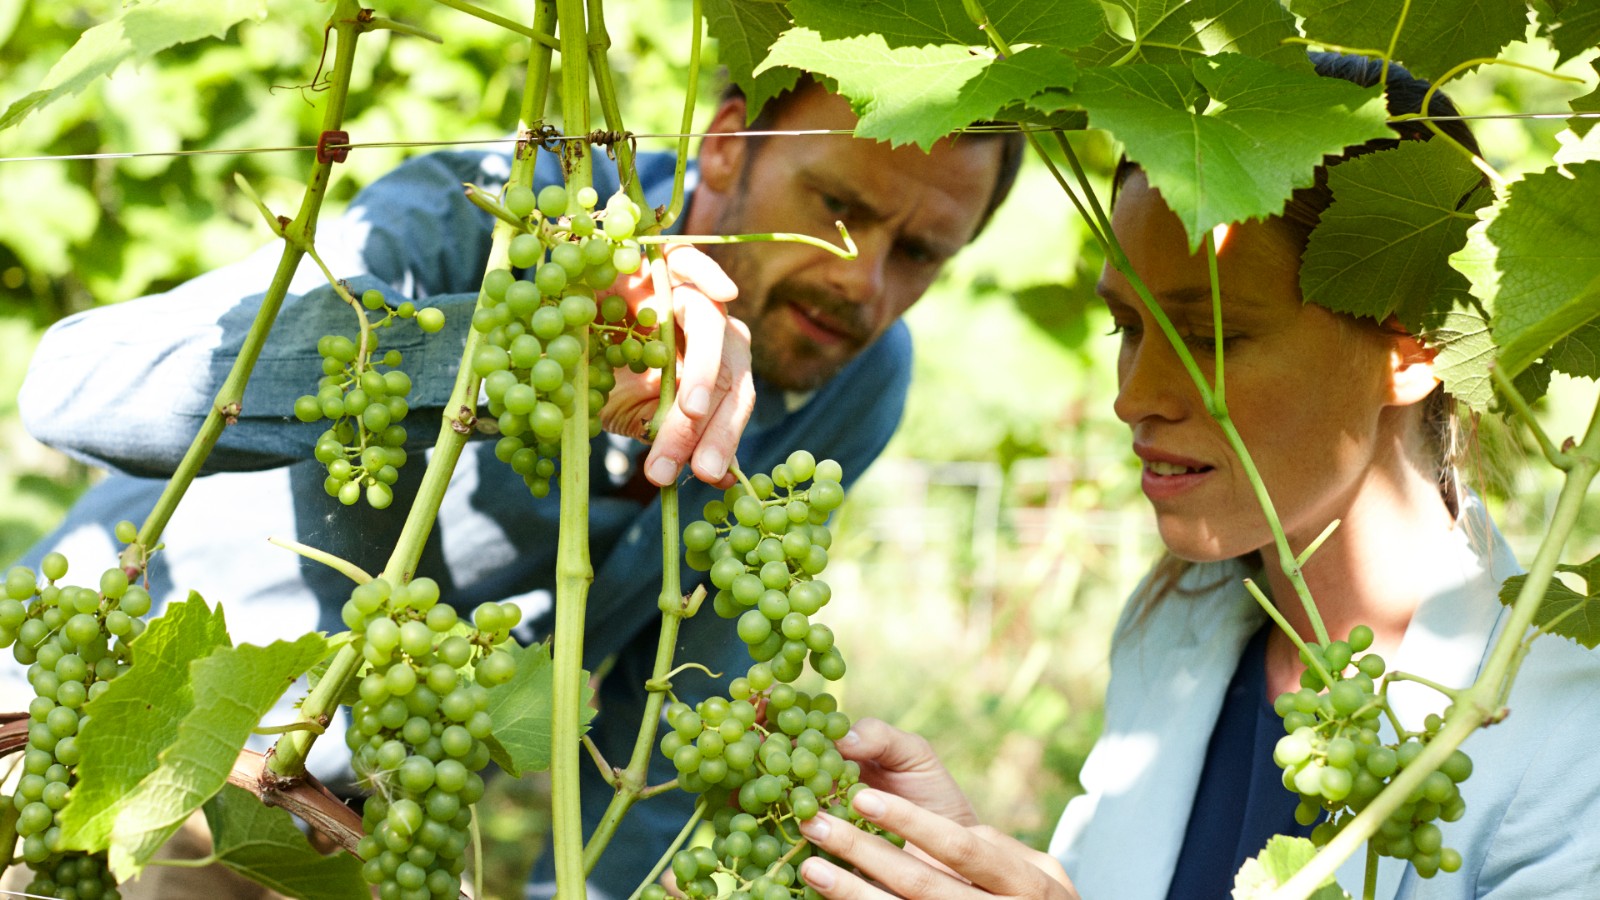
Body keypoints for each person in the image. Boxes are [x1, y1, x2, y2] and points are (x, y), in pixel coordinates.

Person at [12, 77, 1024, 897]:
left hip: (339, 821)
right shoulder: (497, 216)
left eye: (922, 251)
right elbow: (77, 391)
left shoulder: (856, 375)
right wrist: (508, 351)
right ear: (724, 144)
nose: (863, 280)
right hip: (101, 719)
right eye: (837, 209)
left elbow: (676, 728)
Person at [786, 55, 1600, 899]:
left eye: (1211, 336)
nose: (1132, 398)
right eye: (1127, 327)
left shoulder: (1569, 736)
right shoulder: (1175, 625)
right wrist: (961, 855)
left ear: (1417, 349)